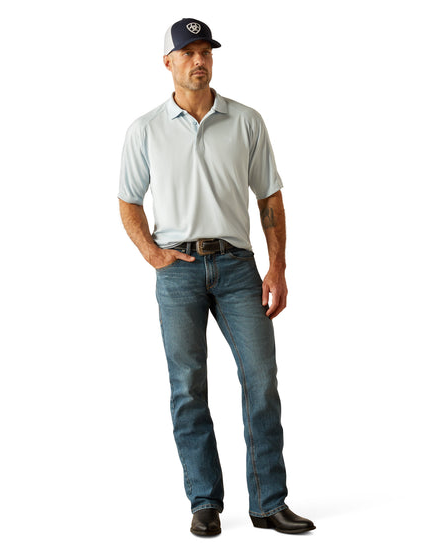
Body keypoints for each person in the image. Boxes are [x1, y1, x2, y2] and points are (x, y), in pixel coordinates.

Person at [118, 18, 315, 537]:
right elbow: (128, 200)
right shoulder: (145, 129)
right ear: (168, 62)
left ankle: (269, 503)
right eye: (188, 53)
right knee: (188, 387)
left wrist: (277, 267)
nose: (199, 60)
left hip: (237, 267)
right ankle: (204, 502)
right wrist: (153, 254)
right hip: (177, 271)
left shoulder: (246, 120)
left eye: (206, 51)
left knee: (261, 379)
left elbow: (269, 196)